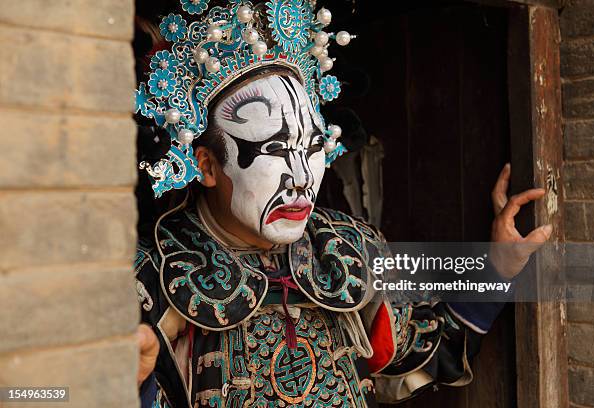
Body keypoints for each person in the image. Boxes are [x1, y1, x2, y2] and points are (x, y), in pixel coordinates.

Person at [133, 1, 552, 406]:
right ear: (206, 164)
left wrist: (498, 267)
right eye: (276, 148)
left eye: (312, 146)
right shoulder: (154, 281)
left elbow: (426, 350)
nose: (300, 178)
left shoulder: (344, 251)